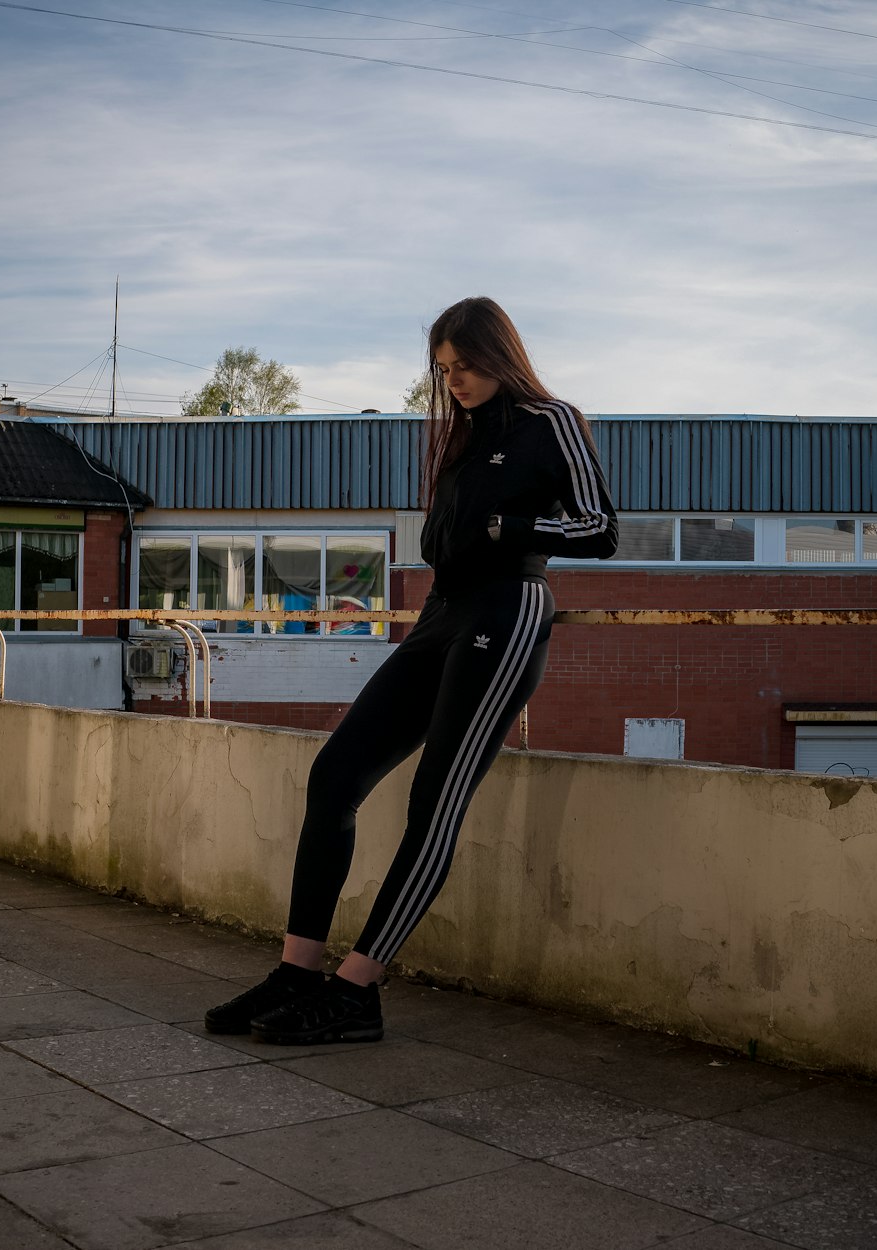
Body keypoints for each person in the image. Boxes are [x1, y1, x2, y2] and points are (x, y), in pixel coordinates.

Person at [205, 296, 618, 1045]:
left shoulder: (551, 421)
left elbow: (601, 528)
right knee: (335, 776)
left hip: (509, 610)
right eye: (443, 370)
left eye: (465, 365)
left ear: (501, 354)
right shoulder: (460, 437)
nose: (454, 381)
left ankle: (358, 989)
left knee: (435, 799)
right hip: (442, 614)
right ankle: (297, 972)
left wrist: (505, 526)